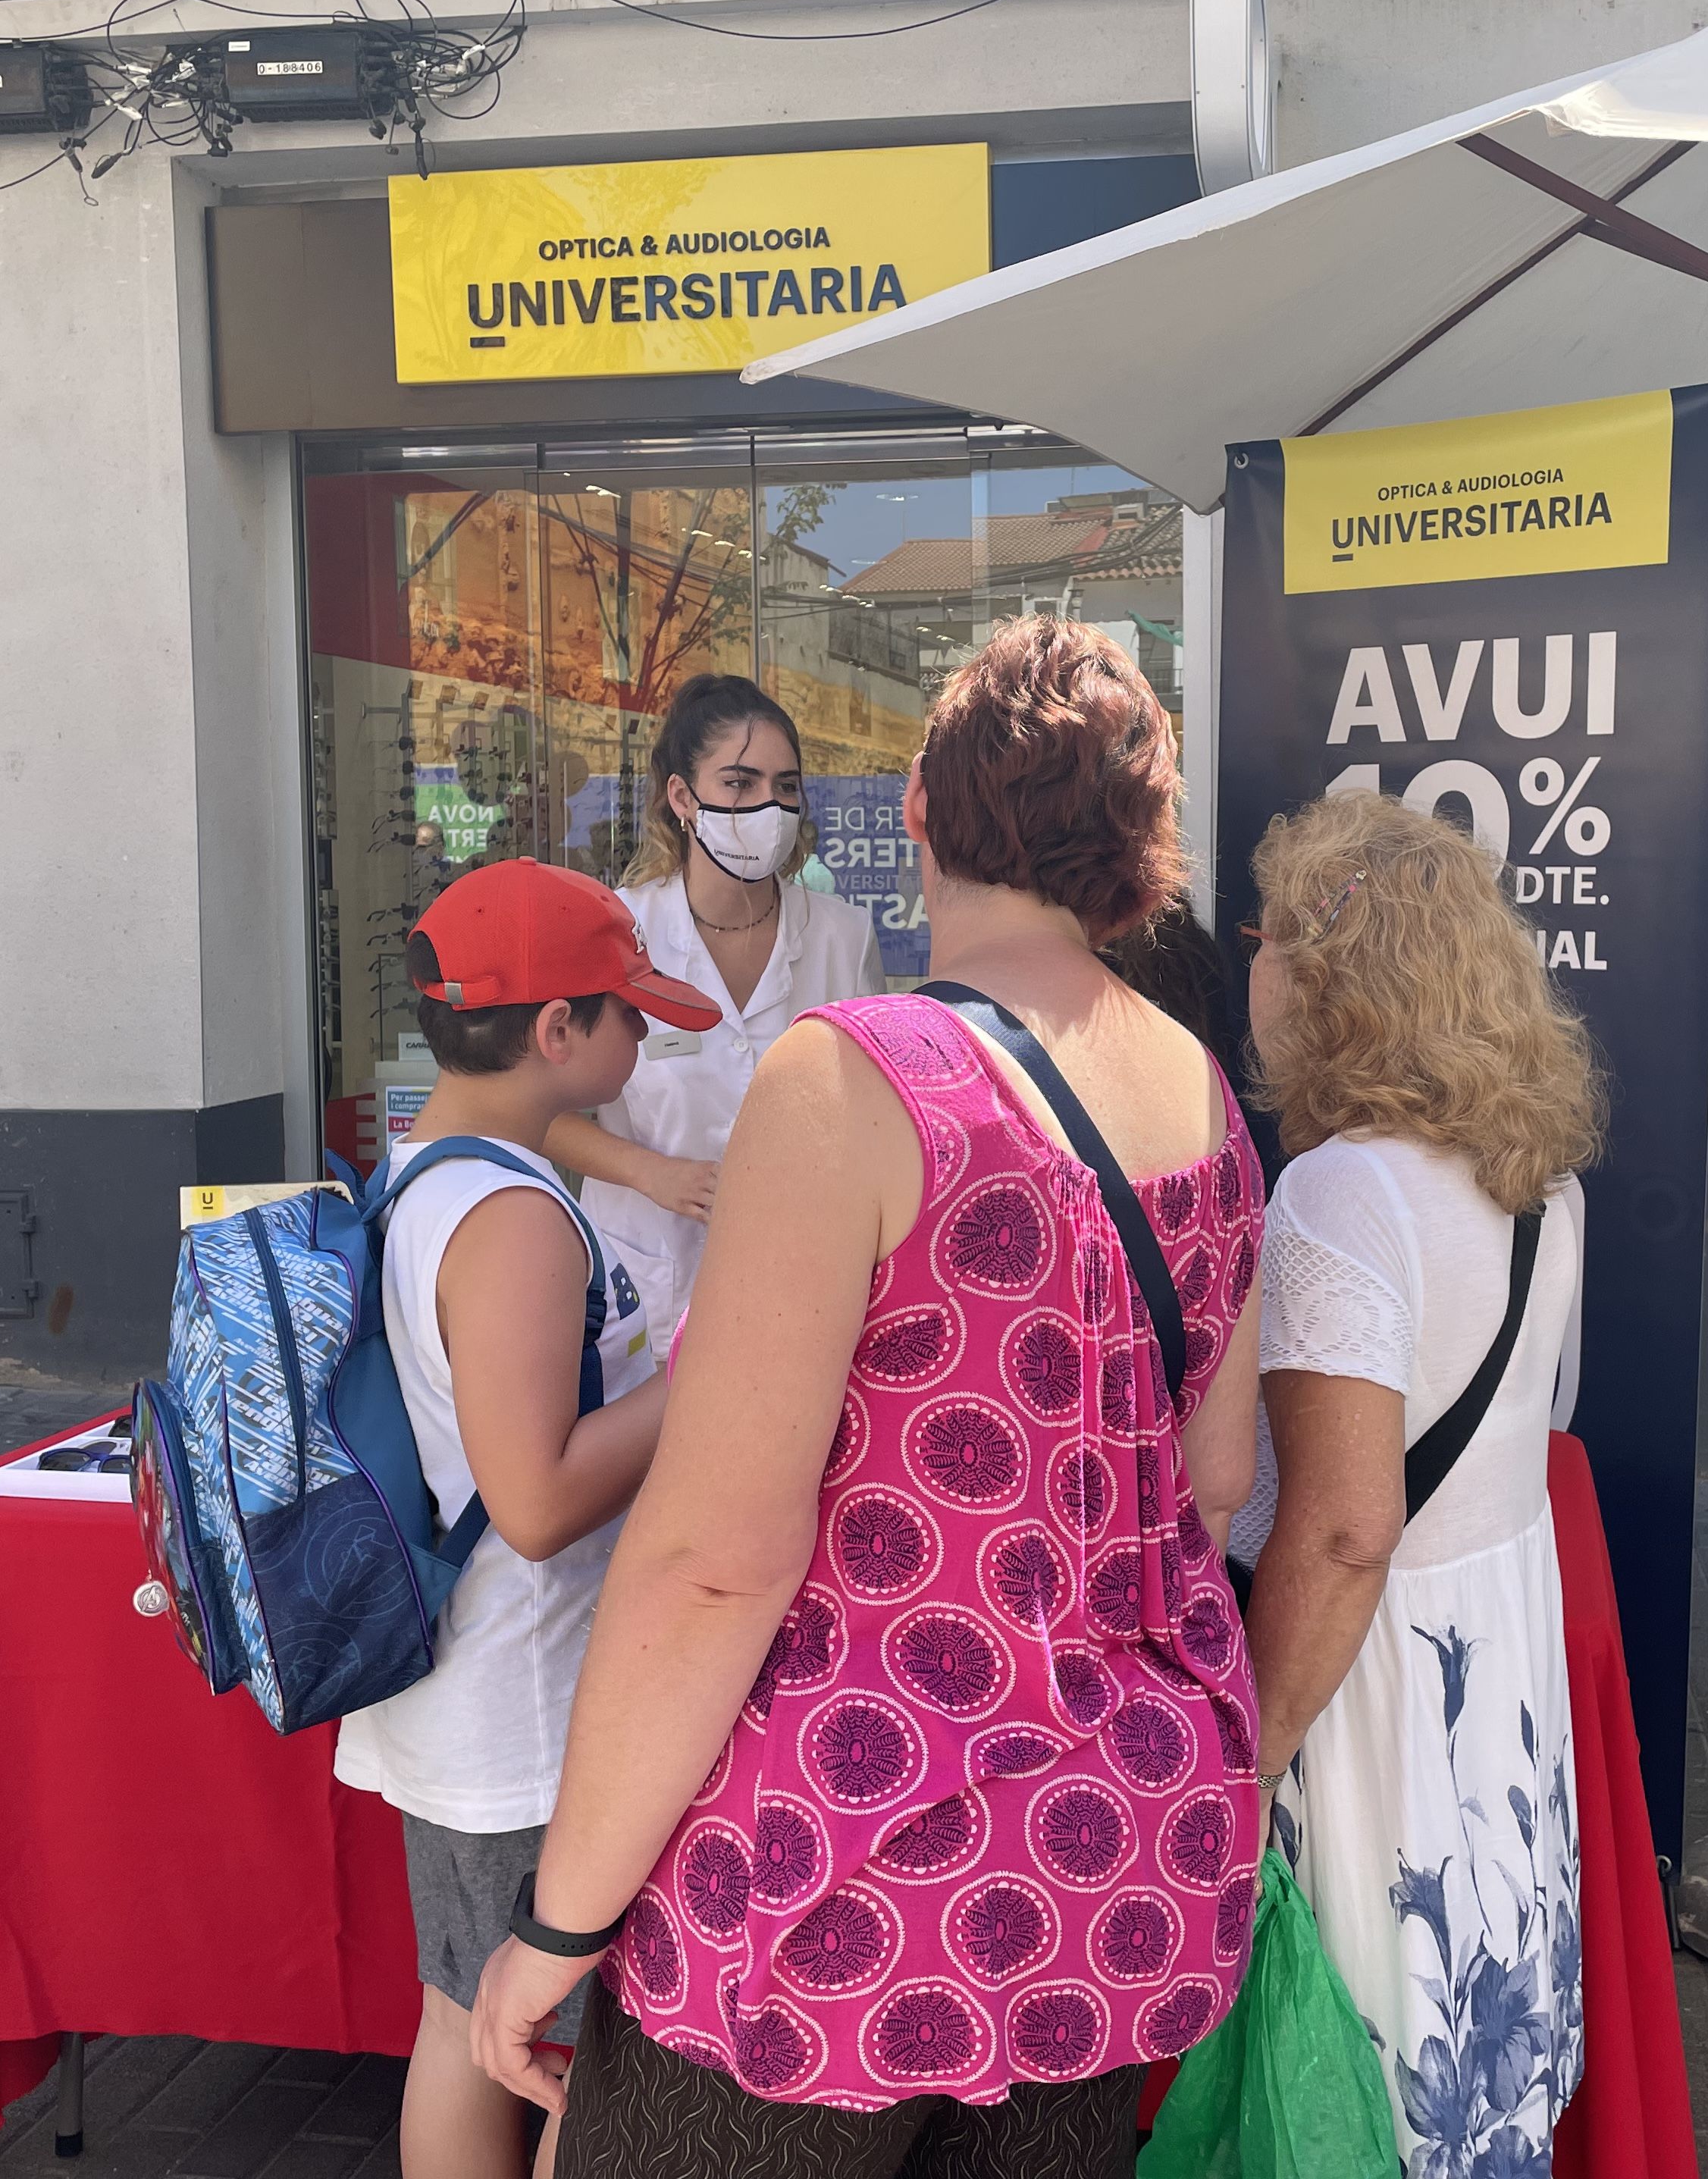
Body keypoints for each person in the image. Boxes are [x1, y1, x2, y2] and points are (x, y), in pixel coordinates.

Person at [467, 617, 1267, 2177]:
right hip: (1116, 1863)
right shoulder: (1198, 1085)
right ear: (1140, 853)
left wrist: (558, 1924)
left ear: (914, 812)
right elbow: (1216, 1479)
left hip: (834, 1885)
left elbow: (715, 1560)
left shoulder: (854, 1077)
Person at [336, 857, 724, 2179]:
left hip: (459, 1690)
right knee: (566, 2058)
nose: (644, 1031)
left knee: (462, 2017)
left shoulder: (423, 1164)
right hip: (524, 1711)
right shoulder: (508, 1215)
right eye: (627, 1009)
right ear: (556, 1031)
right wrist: (710, 1371)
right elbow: (539, 1497)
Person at [1236, 791, 1603, 2179]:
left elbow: (1339, 1531)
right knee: (1473, 2058)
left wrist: (1247, 1756)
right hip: (1492, 1661)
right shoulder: (1534, 1177)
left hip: (1368, 1684)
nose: (1252, 967)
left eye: (1267, 937)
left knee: (1349, 2067)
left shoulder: (1339, 1192)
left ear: (1329, 973)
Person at [543, 674, 885, 1331]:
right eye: (739, 783)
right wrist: (650, 1172)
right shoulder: (619, 933)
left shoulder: (843, 938)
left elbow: (873, 1118)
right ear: (683, 796)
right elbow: (540, 1112)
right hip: (651, 1290)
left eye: (785, 787)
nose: (769, 806)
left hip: (806, 1290)